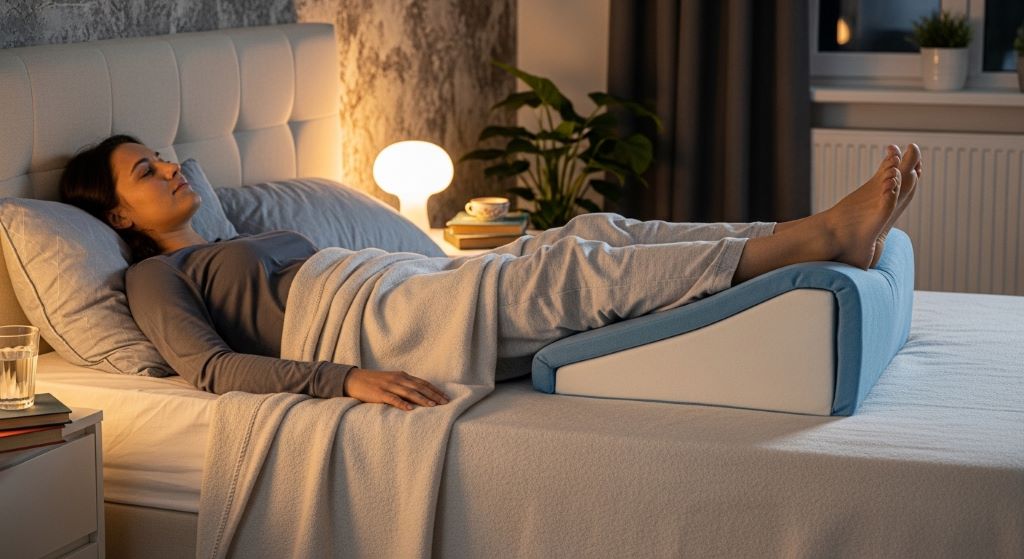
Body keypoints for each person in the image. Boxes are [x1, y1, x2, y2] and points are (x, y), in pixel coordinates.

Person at [59, 135, 922, 412]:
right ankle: (818, 242)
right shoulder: (153, 282)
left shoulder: (231, 228)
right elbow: (208, 370)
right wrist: (344, 379)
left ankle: (806, 233)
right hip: (360, 325)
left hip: (388, 278)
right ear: (119, 217)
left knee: (590, 228)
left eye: (167, 158)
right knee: (572, 271)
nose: (172, 170)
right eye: (146, 172)